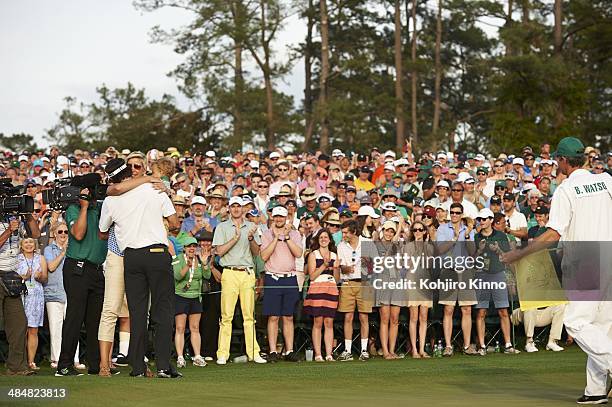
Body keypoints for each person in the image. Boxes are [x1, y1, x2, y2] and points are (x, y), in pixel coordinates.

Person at [501, 137, 612, 405]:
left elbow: (553, 233)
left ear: (562, 160)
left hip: (585, 261)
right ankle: (596, 389)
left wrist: (520, 252)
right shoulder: (607, 180)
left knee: (575, 322)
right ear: (583, 158)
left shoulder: (566, 189)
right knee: (601, 326)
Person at [99, 158, 181, 378]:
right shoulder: (154, 188)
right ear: (129, 171)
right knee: (162, 311)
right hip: (156, 253)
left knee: (137, 314)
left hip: (131, 257)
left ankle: (137, 367)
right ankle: (163, 366)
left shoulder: (110, 199)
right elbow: (174, 223)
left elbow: (102, 231)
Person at [55, 177, 107, 377]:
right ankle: (64, 365)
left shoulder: (101, 208)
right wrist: (84, 207)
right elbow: (77, 234)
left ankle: (95, 364)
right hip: (77, 268)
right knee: (75, 318)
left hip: (96, 269)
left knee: (95, 320)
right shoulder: (73, 209)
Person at [212, 196, 267, 365]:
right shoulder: (222, 227)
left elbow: (257, 252)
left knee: (249, 315)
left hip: (247, 272)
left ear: (243, 209)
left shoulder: (252, 226)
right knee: (226, 316)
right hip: (229, 272)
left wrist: (249, 238)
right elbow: (219, 251)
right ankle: (222, 353)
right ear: (229, 208)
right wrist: (235, 239)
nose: (236, 209)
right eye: (233, 206)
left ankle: (253, 352)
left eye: (239, 206)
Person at [473, 208, 520, 355]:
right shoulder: (476, 237)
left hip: (498, 274)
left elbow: (507, 256)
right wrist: (480, 250)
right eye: (480, 219)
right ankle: (482, 346)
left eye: (484, 219)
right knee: (481, 311)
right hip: (482, 275)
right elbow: (473, 259)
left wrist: (498, 249)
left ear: (491, 220)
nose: (481, 222)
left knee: (503, 310)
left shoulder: (500, 235)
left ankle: (507, 344)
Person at [260, 206, 302, 362]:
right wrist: (276, 238)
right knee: (273, 316)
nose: (278, 220)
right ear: (272, 217)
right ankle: (272, 351)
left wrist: (287, 237)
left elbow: (298, 254)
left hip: (290, 277)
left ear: (286, 218)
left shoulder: (295, 234)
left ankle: (289, 350)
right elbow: (264, 256)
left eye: (281, 217)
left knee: (288, 316)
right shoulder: (266, 234)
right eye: (276, 217)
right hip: (273, 277)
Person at [0, 211, 40, 376]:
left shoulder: (16, 220)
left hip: (12, 278)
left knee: (19, 323)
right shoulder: (11, 225)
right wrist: (9, 231)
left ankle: (16, 366)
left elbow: (36, 234)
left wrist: (28, 216)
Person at [436, 203, 478, 356]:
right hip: (449, 271)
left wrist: (466, 235)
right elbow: (439, 249)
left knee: (466, 309)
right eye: (452, 213)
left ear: (461, 214)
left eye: (457, 213)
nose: (454, 215)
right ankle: (448, 346)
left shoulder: (468, 230)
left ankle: (467, 346)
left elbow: (472, 251)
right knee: (448, 309)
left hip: (465, 271)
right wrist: (454, 238)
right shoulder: (442, 229)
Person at [43, 222, 83, 370]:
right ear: (54, 233)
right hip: (54, 294)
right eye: (60, 232)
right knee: (56, 328)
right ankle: (56, 358)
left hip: (71, 292)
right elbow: (51, 267)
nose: (64, 235)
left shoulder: (75, 249)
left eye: (66, 232)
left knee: (73, 326)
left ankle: (75, 359)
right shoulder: (48, 249)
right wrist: (63, 252)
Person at [337, 220, 373, 361]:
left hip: (364, 283)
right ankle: (347, 350)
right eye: (343, 232)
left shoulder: (367, 243)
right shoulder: (341, 245)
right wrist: (346, 269)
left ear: (354, 232)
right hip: (347, 283)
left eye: (346, 232)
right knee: (348, 317)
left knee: (364, 317)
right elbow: (341, 267)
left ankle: (364, 350)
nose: (343, 235)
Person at [303, 229, 340, 362]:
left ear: (330, 239)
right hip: (317, 287)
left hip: (331, 288)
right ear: (318, 240)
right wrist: (324, 266)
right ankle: (318, 354)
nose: (323, 239)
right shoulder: (313, 254)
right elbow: (312, 276)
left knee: (329, 321)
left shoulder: (335, 255)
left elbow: (336, 278)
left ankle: (329, 354)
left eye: (326, 237)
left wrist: (336, 268)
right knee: (318, 321)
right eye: (321, 237)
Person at [173, 236, 209, 368]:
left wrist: (205, 264)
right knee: (180, 328)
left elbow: (207, 276)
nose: (192, 249)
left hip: (195, 297)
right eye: (189, 246)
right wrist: (187, 266)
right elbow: (177, 276)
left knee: (195, 328)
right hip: (181, 296)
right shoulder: (178, 260)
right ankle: (180, 356)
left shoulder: (199, 260)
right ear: (184, 248)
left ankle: (197, 356)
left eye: (194, 246)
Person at [373, 221, 407, 359]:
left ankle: (392, 351)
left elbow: (401, 265)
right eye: (387, 230)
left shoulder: (398, 246)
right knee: (385, 319)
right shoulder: (376, 245)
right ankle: (385, 351)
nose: (389, 234)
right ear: (383, 231)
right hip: (383, 281)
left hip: (396, 281)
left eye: (392, 232)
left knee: (394, 319)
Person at [16, 238, 47, 370]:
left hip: (36, 297)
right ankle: (19, 361)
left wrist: (39, 276)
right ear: (21, 246)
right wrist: (22, 277)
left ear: (34, 245)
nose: (29, 244)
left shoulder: (41, 258)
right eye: (26, 242)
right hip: (21, 296)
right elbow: (11, 276)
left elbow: (45, 278)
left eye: (31, 242)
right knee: (20, 330)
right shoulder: (17, 259)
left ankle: (31, 361)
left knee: (33, 330)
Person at [404, 220, 434, 358]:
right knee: (413, 317)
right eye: (415, 230)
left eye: (420, 230)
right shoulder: (408, 246)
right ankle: (414, 350)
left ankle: (422, 349)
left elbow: (429, 263)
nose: (417, 232)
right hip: (412, 280)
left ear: (424, 232)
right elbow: (409, 264)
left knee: (423, 317)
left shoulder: (429, 247)